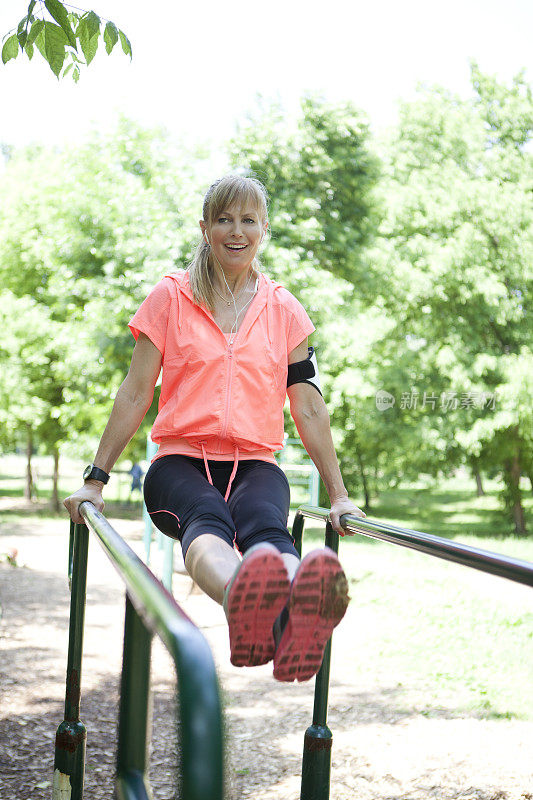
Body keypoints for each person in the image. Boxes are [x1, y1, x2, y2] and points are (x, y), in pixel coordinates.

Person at [64, 174, 366, 683]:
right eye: (224, 219)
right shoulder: (171, 296)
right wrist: (96, 479)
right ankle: (243, 602)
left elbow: (308, 406)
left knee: (267, 526)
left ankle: (298, 607)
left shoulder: (285, 310)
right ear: (205, 227)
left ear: (264, 228)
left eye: (248, 220)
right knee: (207, 519)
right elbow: (136, 391)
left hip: (255, 463)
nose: (236, 231)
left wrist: (338, 494)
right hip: (181, 461)